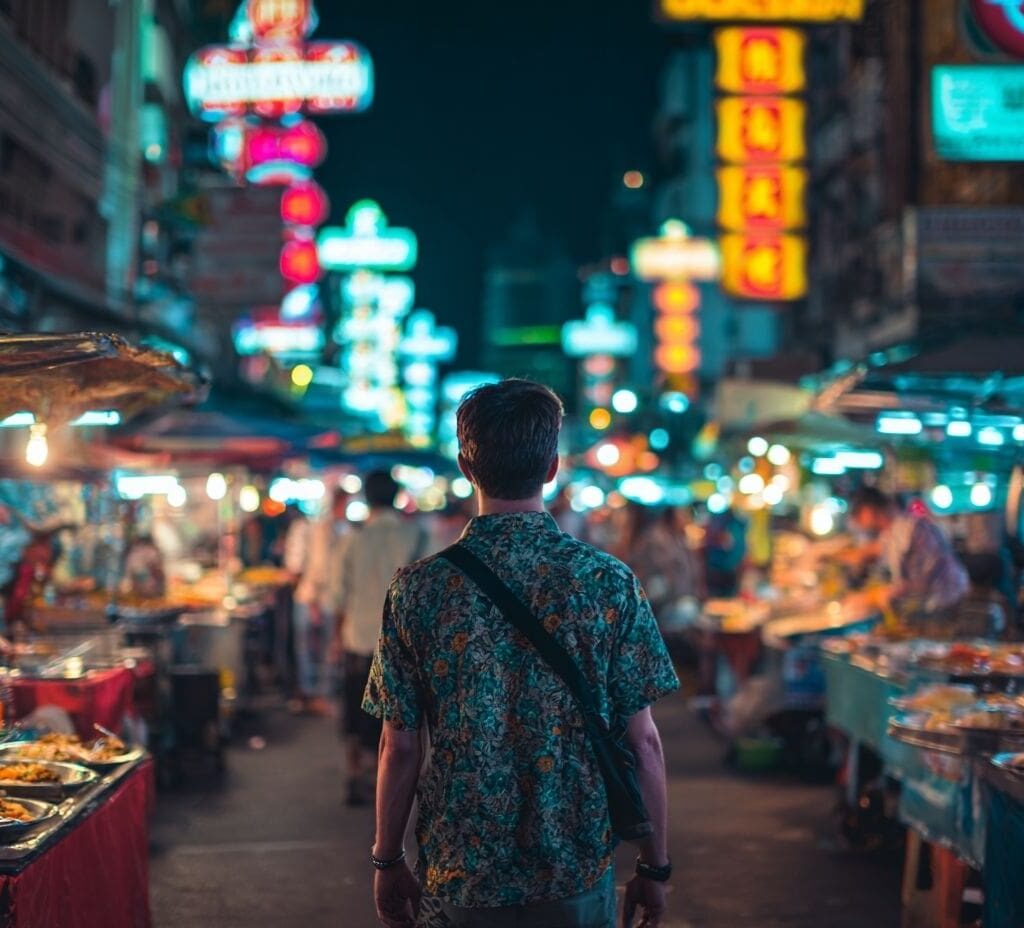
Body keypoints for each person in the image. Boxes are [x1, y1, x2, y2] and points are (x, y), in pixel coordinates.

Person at [363, 379, 679, 928]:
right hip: (575, 863)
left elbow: (400, 745)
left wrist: (388, 858)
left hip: (462, 865)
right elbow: (644, 742)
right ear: (552, 467)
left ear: (467, 465)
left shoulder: (418, 590)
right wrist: (654, 868)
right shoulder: (607, 583)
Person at [327, 471, 426, 807]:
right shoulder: (416, 536)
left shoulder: (351, 541)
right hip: (404, 645)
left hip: (358, 639)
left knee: (356, 715)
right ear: (397, 496)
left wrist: (336, 638)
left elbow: (338, 596)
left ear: (366, 499)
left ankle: (356, 774)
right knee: (398, 722)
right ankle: (390, 784)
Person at [847, 486, 969, 629]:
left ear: (868, 511)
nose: (858, 523)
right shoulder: (891, 533)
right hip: (931, 608)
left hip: (947, 607)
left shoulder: (911, 529)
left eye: (858, 514)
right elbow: (869, 552)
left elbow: (920, 584)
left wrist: (876, 596)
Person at [284, 489, 350, 716]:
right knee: (321, 649)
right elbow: (318, 570)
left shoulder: (332, 529)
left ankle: (311, 692)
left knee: (311, 649)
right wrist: (314, 603)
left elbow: (295, 568)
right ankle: (316, 695)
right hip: (317, 599)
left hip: (312, 598)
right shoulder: (326, 530)